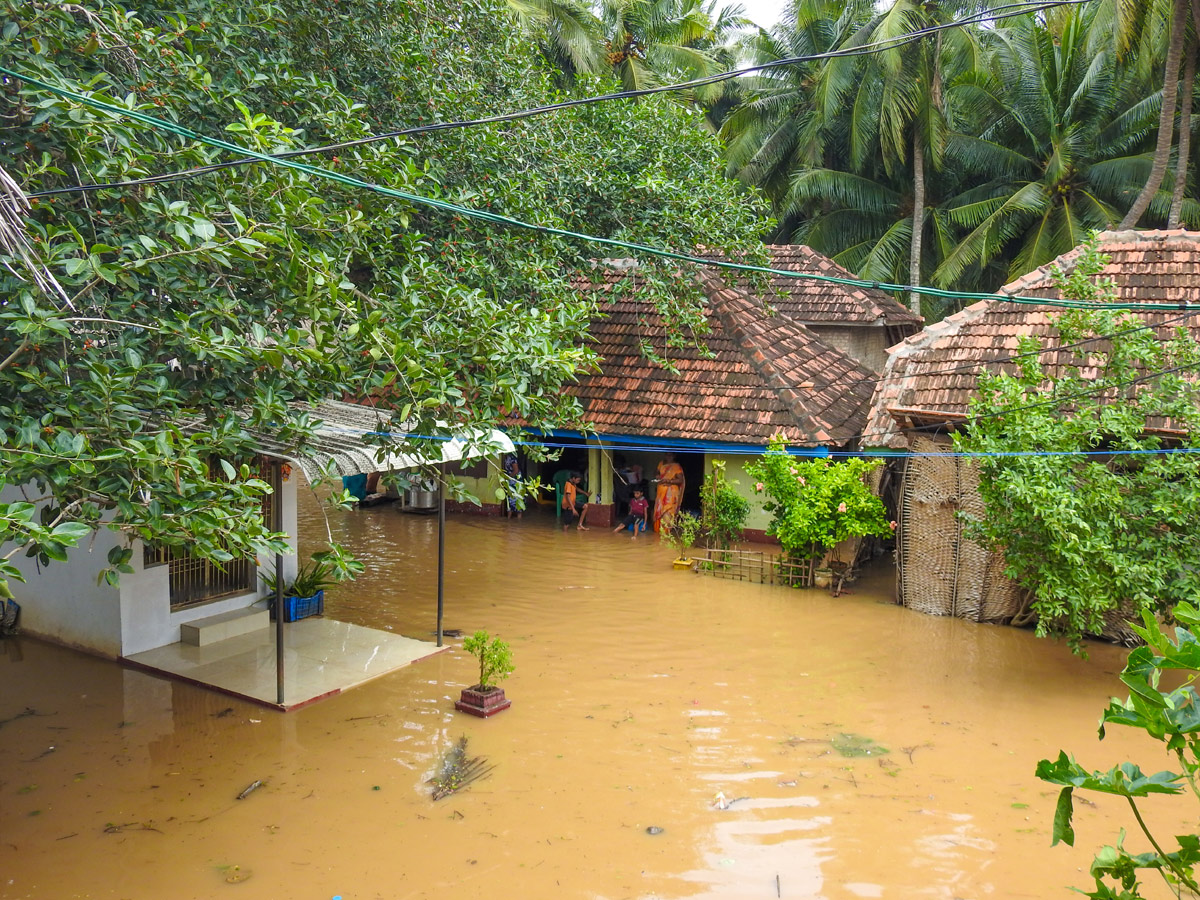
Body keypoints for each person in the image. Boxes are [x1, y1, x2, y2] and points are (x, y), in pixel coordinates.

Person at [653, 452, 685, 532]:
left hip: (670, 494)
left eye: (670, 455)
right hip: (660, 493)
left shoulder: (676, 466)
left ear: (674, 456)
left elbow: (680, 480)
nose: (668, 457)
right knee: (659, 511)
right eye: (666, 454)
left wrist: (669, 481)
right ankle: (658, 533)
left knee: (668, 511)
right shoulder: (661, 463)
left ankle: (667, 532)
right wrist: (657, 475)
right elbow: (656, 472)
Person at [503, 455, 523, 519]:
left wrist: (508, 477)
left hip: (516, 480)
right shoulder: (505, 458)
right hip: (510, 480)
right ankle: (509, 519)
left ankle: (518, 518)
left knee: (517, 497)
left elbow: (516, 470)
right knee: (510, 498)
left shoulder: (512, 457)